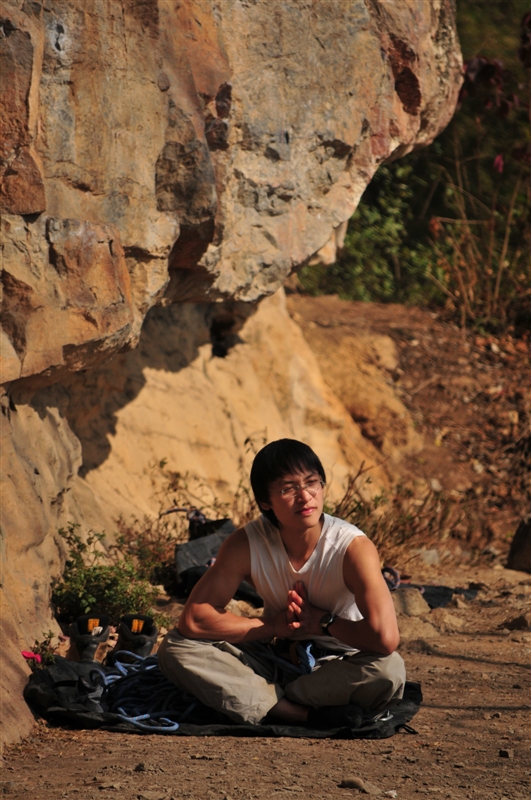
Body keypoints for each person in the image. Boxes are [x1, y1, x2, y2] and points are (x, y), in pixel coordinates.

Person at [158, 439, 405, 727]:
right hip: (273, 658)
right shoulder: (246, 544)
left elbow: (385, 638)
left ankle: (262, 698)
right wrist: (274, 626)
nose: (305, 497)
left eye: (312, 483)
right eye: (288, 489)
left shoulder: (352, 548)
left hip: (338, 666)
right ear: (265, 502)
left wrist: (321, 623)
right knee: (176, 647)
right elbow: (194, 619)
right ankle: (298, 713)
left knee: (389, 670)